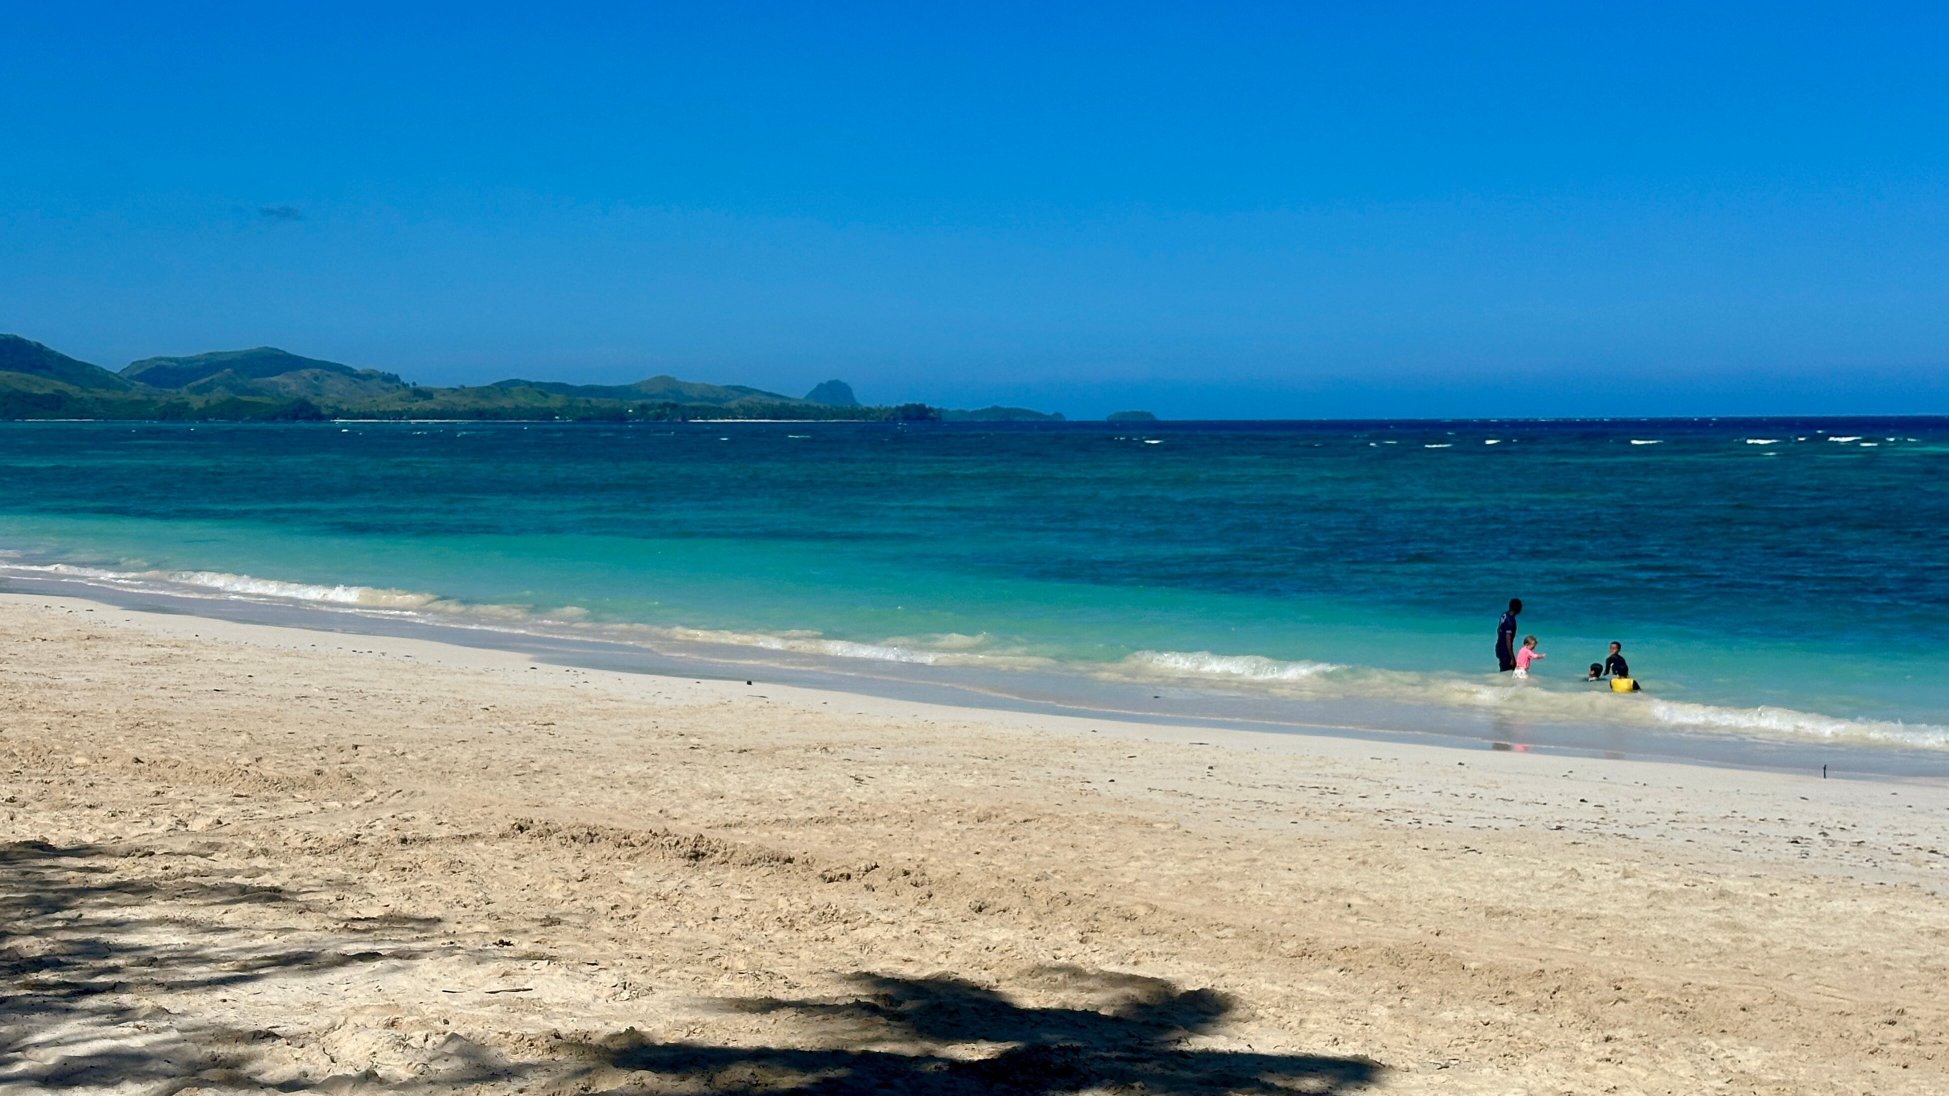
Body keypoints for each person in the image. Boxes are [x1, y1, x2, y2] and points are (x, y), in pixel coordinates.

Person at [1495, 598, 1522, 672]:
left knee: (1504, 670)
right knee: (1509, 672)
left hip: (1499, 647)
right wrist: (1512, 657)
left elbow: (1498, 629)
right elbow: (1508, 640)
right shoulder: (1510, 621)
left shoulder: (1504, 615)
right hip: (1505, 651)